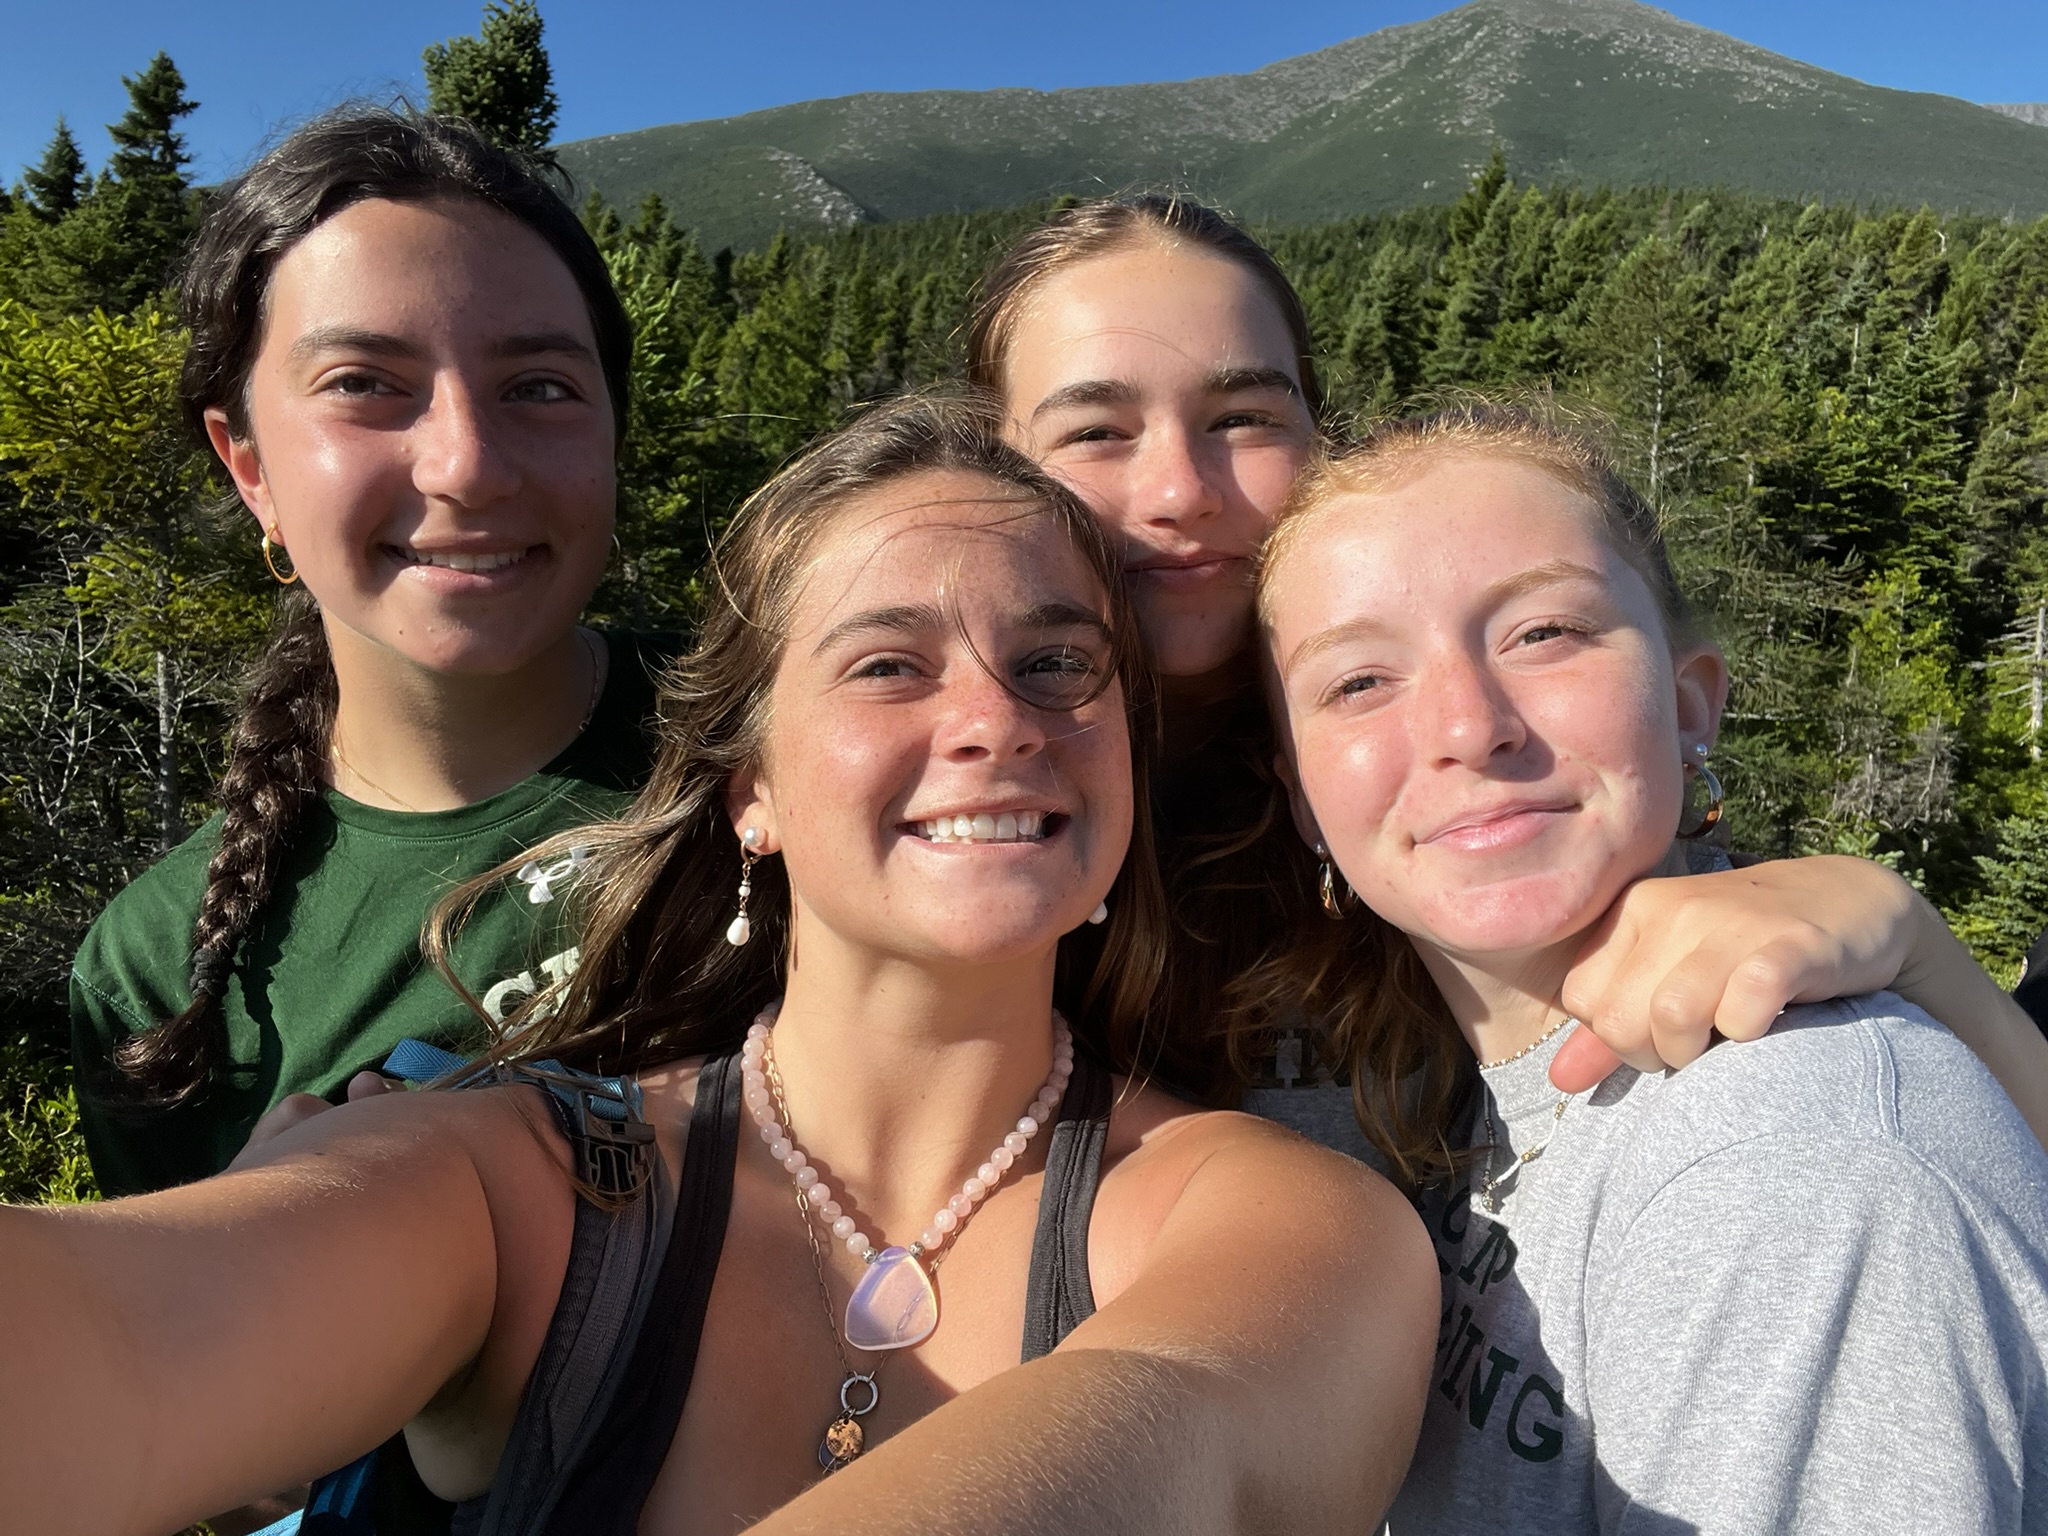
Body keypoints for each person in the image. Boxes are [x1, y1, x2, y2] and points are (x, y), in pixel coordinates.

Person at [1, 395, 1437, 1536]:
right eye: (887, 664)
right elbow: (116, 1341)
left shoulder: (1283, 1227)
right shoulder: (509, 1188)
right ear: (752, 790)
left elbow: (1181, 1439)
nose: (997, 720)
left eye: (1058, 663)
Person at [971, 194, 2048, 1147]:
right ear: (989, 471)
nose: (1180, 490)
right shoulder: (955, 803)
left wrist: (1917, 954)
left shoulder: (1485, 784)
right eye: (1095, 431)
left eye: (1243, 417)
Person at [1252, 400, 2048, 1529]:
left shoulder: (1798, 1179)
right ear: (1303, 801)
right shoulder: (1424, 1079)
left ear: (1688, 705)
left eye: (1542, 633)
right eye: (1358, 683)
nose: (1467, 727)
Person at [68, 108, 668, 1197]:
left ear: (612, 435)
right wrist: (267, 1244)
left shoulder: (801, 732)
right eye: (362, 383)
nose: (467, 466)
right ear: (250, 469)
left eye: (539, 386)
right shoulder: (154, 974)